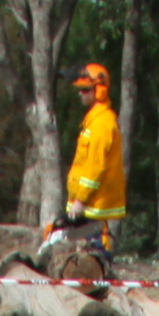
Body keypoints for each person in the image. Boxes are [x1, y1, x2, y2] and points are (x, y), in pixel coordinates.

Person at [63, 61, 125, 260]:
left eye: (85, 90)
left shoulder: (101, 124)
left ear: (100, 91)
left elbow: (95, 167)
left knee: (93, 260)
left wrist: (80, 200)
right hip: (88, 205)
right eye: (80, 90)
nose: (80, 94)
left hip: (92, 205)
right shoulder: (94, 120)